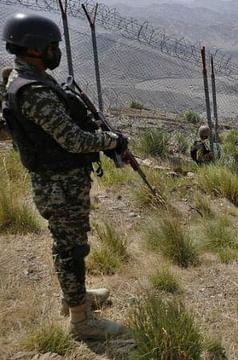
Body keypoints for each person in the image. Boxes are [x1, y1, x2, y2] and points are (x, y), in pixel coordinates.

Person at [1, 13, 126, 340]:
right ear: (35, 48)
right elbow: (72, 139)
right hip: (59, 184)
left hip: (62, 179)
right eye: (53, 45)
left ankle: (74, 299)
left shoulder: (30, 77)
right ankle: (81, 321)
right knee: (71, 249)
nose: (57, 51)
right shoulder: (34, 91)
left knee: (69, 244)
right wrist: (111, 141)